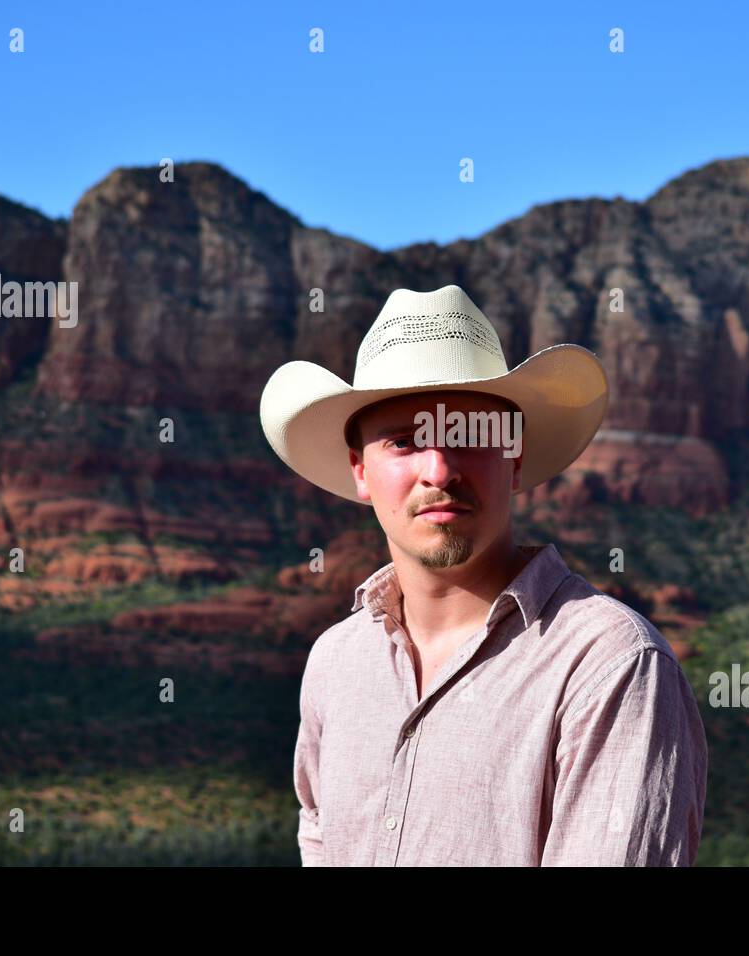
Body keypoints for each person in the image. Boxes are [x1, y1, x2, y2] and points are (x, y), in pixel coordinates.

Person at [258, 284, 708, 866]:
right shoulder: (335, 664)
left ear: (513, 458)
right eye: (404, 440)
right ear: (360, 470)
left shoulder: (610, 666)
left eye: (468, 436)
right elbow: (319, 840)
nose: (439, 469)